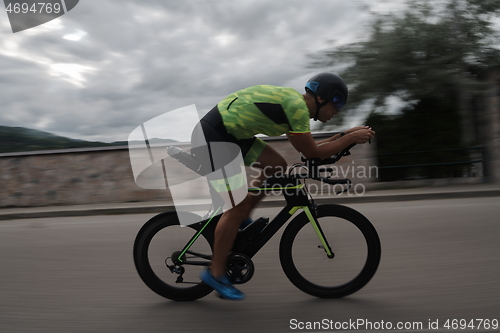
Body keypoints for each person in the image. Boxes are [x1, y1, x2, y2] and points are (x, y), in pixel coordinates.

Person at [192, 73, 375, 300]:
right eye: (337, 102)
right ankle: (216, 273)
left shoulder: (296, 108)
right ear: (322, 98)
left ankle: (243, 216)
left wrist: (345, 135)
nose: (338, 109)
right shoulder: (296, 108)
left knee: (277, 166)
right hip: (214, 136)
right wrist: (347, 139)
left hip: (233, 134)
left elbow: (309, 149)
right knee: (234, 208)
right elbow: (312, 153)